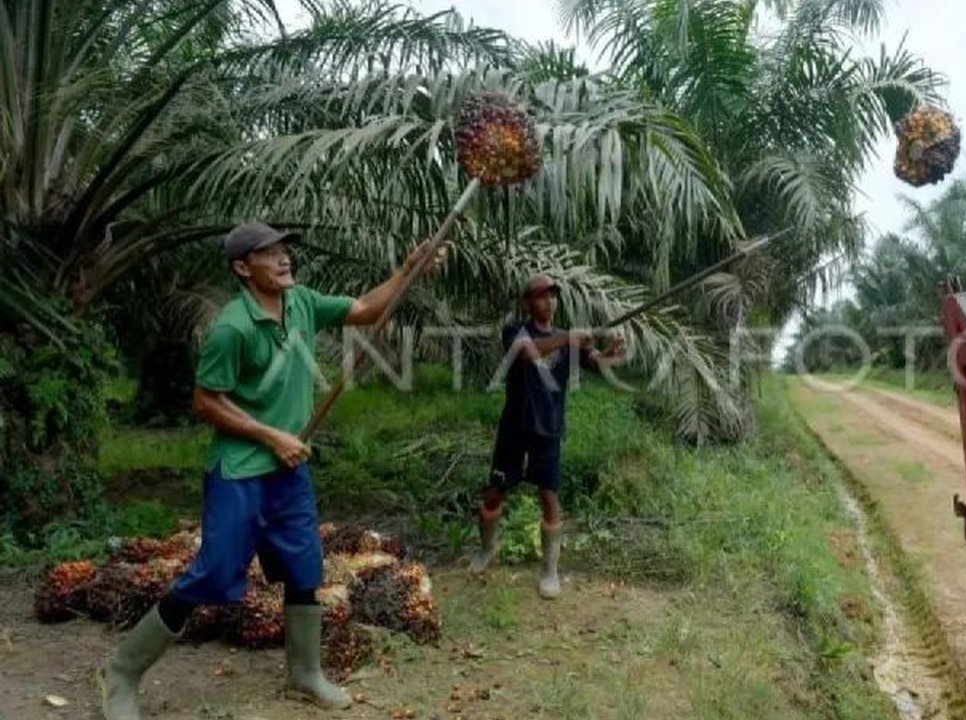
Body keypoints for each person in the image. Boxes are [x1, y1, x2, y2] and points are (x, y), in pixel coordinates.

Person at [99, 222, 447, 720]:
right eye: (270, 253)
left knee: (304, 568)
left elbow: (366, 309)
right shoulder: (232, 328)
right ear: (243, 268)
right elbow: (205, 402)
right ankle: (122, 674)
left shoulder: (301, 302)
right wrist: (271, 436)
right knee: (215, 574)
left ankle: (303, 674)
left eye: (285, 251)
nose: (284, 259)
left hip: (289, 470)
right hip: (242, 469)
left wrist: (411, 269)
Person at [468, 274, 627, 598]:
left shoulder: (567, 339)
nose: (548, 301)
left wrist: (613, 353)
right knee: (495, 492)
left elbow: (598, 363)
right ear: (528, 302)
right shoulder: (516, 332)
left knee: (549, 497)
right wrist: (569, 338)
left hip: (549, 428)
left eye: (552, 295)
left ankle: (550, 571)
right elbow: (526, 353)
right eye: (541, 296)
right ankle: (487, 550)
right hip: (514, 427)